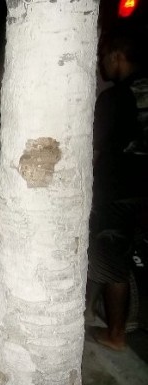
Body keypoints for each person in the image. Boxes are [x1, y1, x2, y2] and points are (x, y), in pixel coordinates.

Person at [86, 25, 148, 351]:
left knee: (111, 263)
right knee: (112, 255)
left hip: (117, 193)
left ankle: (116, 336)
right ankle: (88, 311)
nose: (101, 64)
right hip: (142, 193)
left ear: (116, 56)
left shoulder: (115, 98)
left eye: (103, 57)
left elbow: (93, 150)